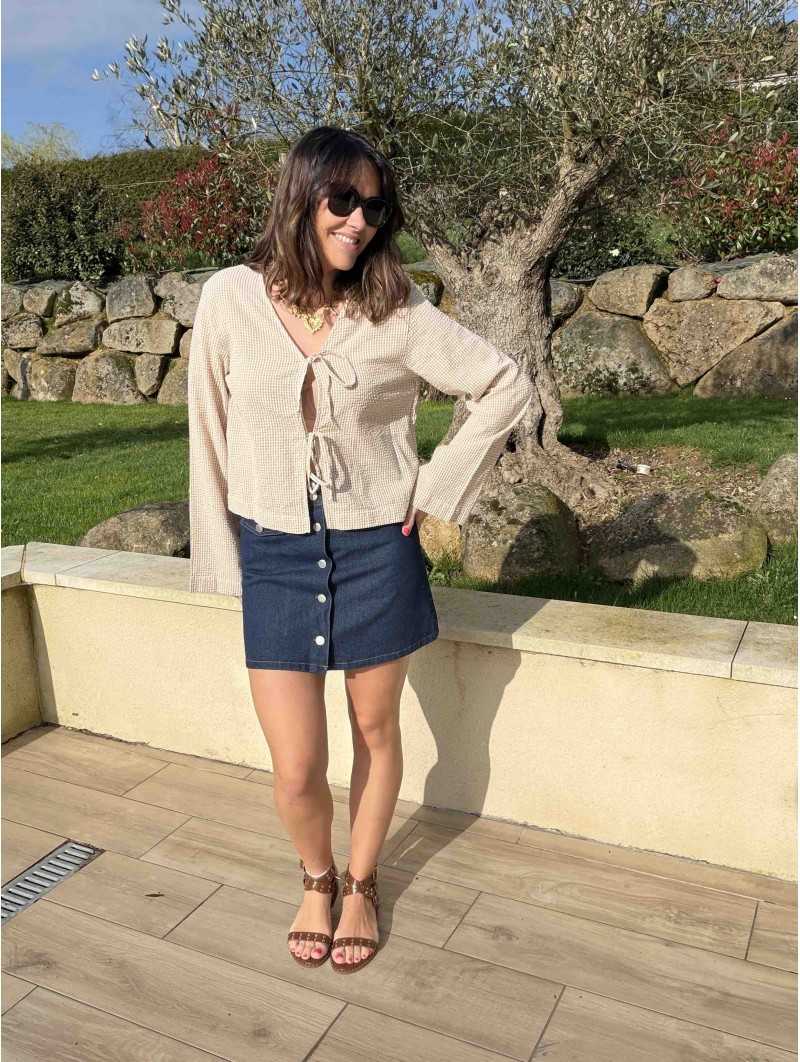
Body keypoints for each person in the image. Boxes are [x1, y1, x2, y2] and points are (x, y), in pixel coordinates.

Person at [187, 126, 534, 974]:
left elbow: (505, 383)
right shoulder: (230, 298)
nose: (359, 221)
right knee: (297, 766)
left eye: (375, 207)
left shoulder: (396, 307)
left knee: (375, 729)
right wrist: (221, 559)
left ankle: (363, 884)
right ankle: (317, 876)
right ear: (300, 196)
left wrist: (434, 485)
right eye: (342, 200)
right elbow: (208, 430)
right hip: (275, 551)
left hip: (378, 546)